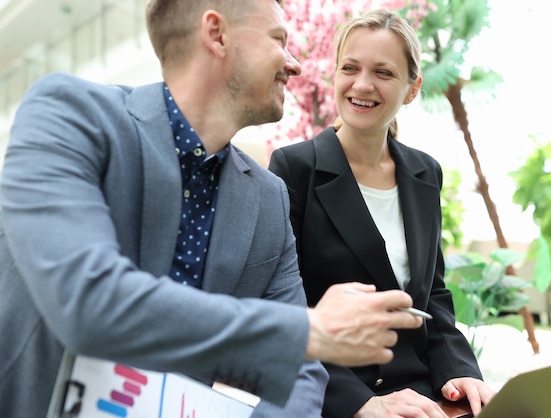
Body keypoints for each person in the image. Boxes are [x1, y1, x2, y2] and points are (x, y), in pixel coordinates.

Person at [0, 2, 424, 417]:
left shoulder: (268, 198)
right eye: (279, 39)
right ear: (217, 34)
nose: (294, 64)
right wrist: (310, 330)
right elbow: (89, 301)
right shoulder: (69, 116)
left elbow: (301, 372)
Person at [269, 9, 495, 418]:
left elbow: (435, 295)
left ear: (412, 89)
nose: (362, 84)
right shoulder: (293, 168)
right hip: (337, 396)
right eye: (349, 68)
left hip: (423, 390)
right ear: (334, 75)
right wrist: (360, 403)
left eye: (384, 73)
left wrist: (460, 371)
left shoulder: (425, 172)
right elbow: (286, 308)